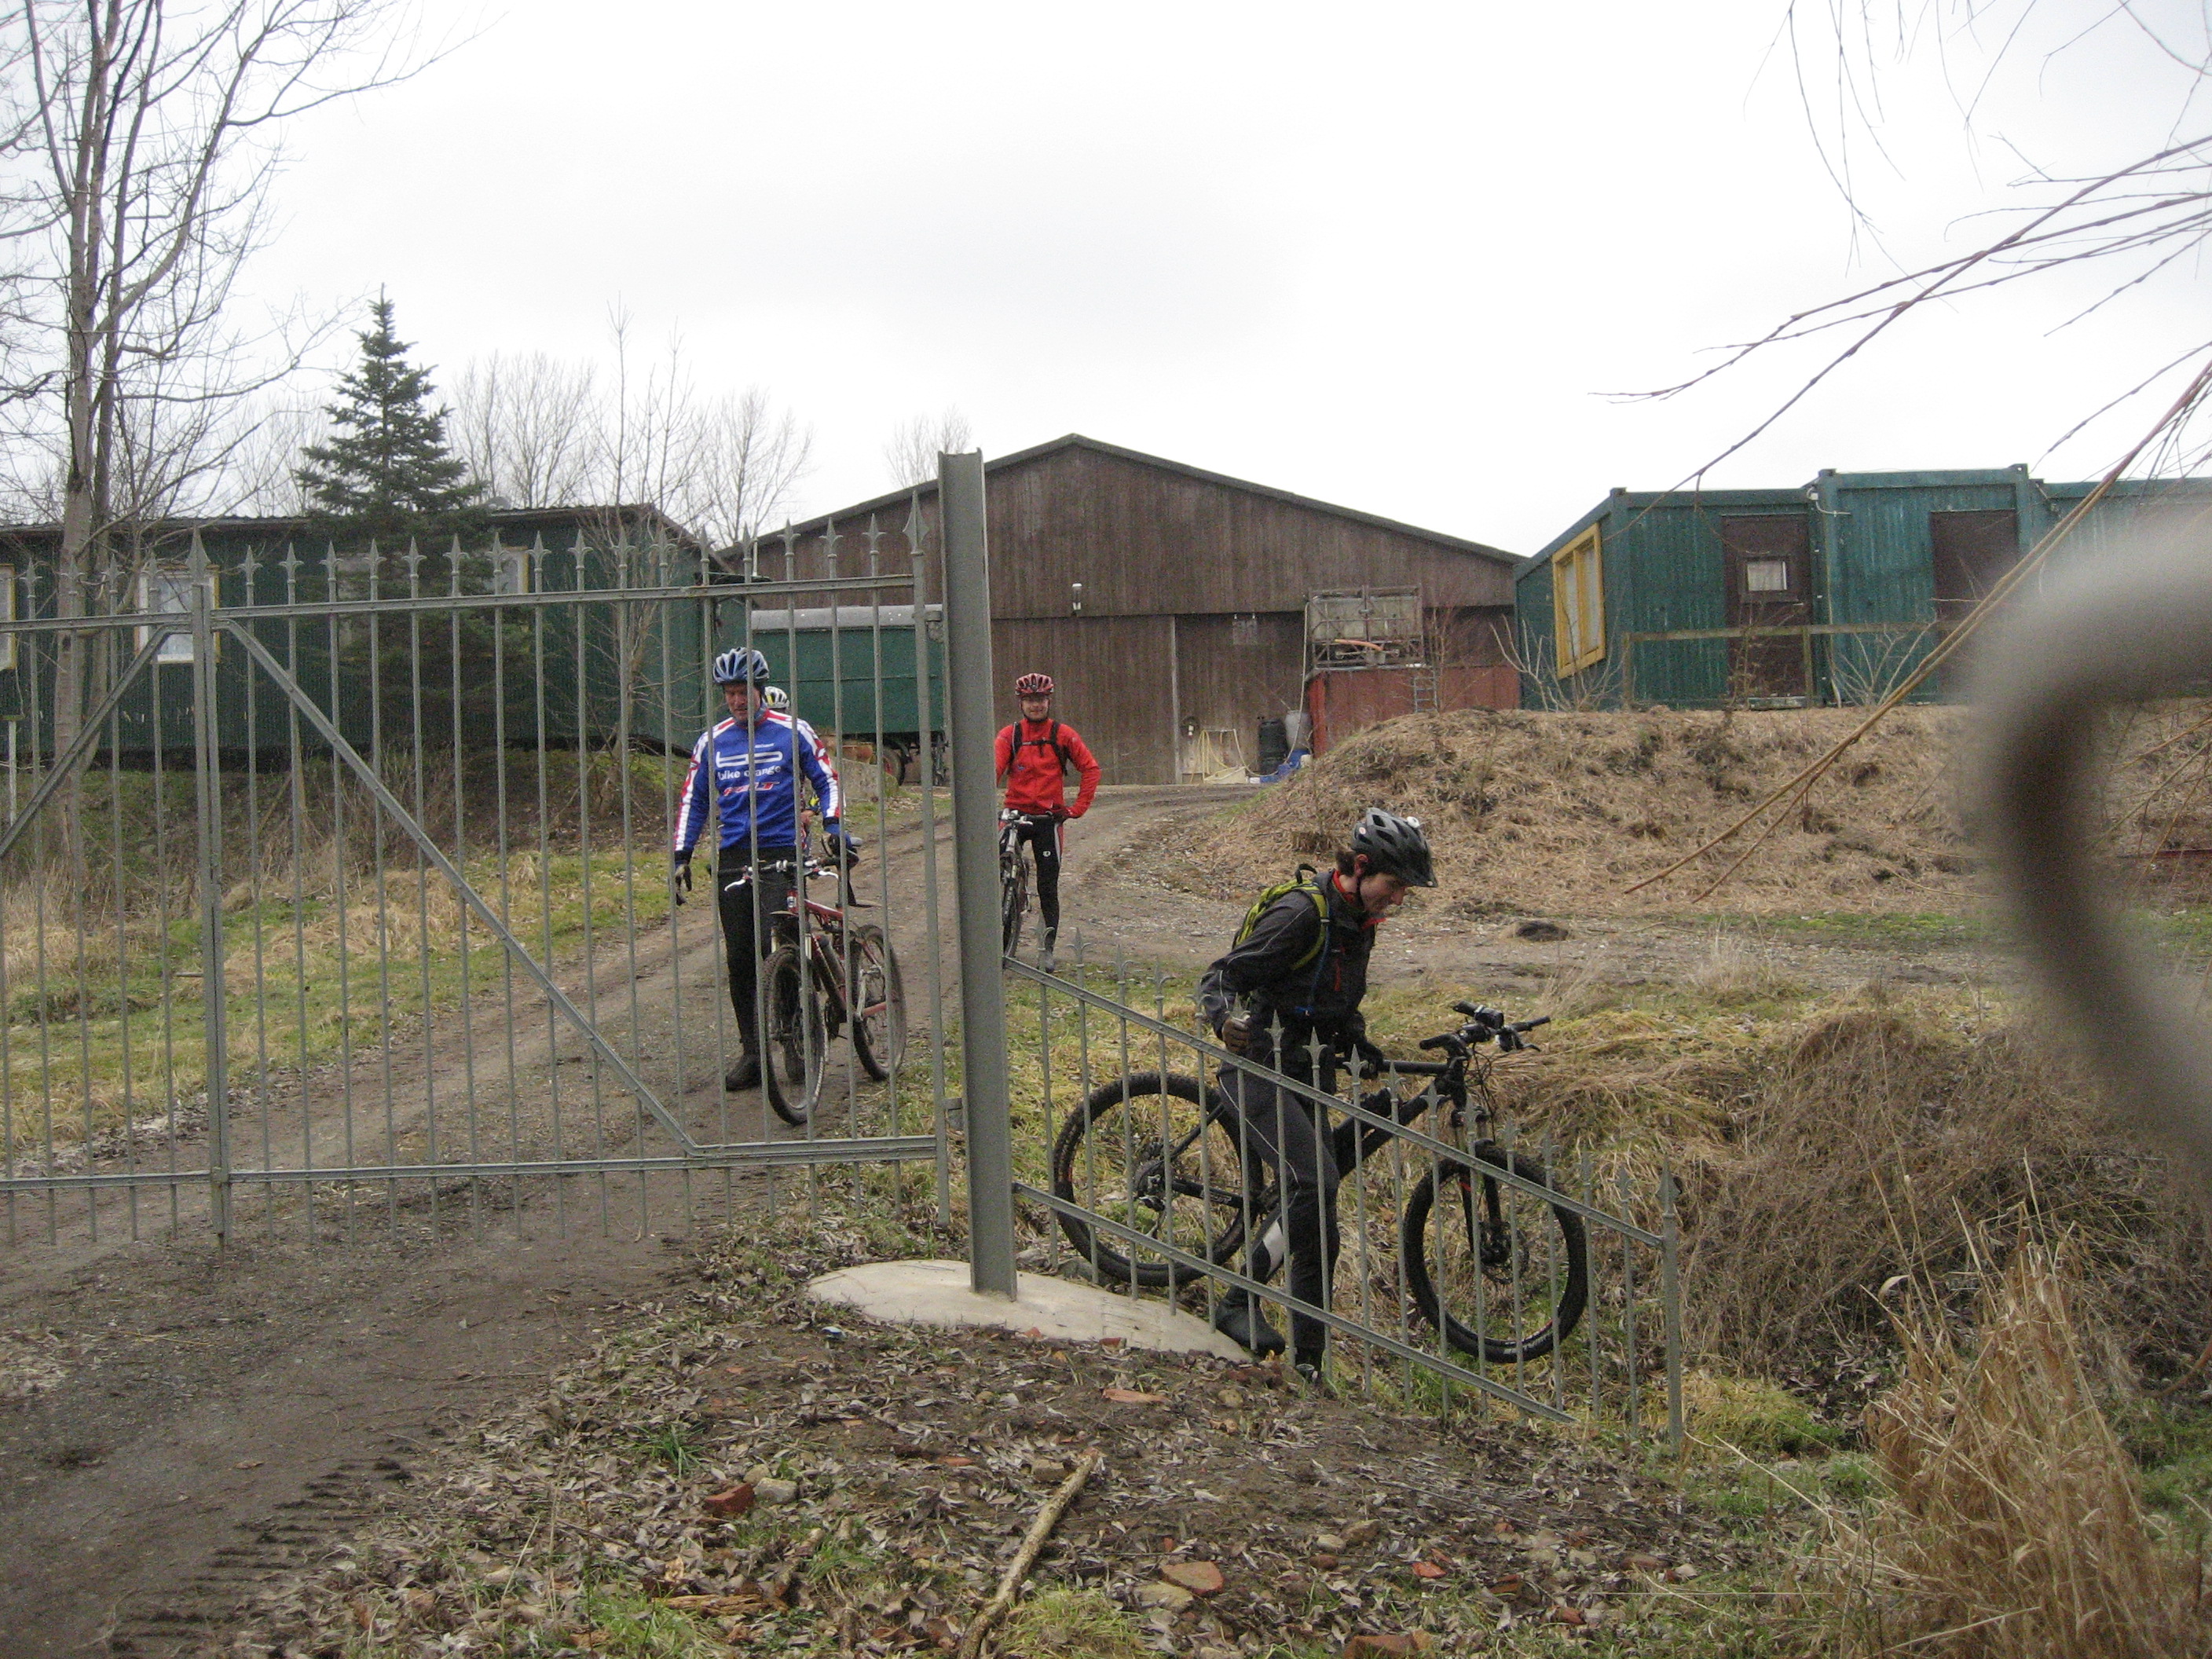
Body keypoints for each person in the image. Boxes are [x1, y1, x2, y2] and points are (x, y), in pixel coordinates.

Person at [1196, 808, 1436, 1384]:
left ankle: (1308, 1363)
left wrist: (1358, 1041)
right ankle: (1236, 1300)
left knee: (1320, 1228)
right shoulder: (1302, 914)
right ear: (1360, 867)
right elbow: (1223, 974)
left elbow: (1334, 1001)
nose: (1398, 899)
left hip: (1306, 1072)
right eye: (1394, 885)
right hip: (1257, 1067)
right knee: (1315, 1183)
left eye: (1405, 890)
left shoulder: (1360, 924)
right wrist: (1223, 1018)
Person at [672, 648, 856, 1090]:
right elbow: (694, 801)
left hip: (784, 849)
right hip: (735, 854)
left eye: (744, 692)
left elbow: (826, 779)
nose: (737, 701)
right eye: (730, 693)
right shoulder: (712, 741)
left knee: (778, 942)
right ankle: (753, 1053)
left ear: (760, 691)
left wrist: (833, 824)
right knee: (740, 958)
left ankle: (797, 1041)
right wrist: (681, 854)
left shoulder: (793, 731)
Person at [994, 672, 1101, 972]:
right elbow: (993, 769)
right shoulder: (1010, 735)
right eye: (1030, 700)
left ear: (1048, 700)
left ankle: (1047, 948)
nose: (1036, 705)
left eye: (1040, 699)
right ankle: (999, 931)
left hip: (1047, 819)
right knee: (992, 871)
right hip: (1015, 814)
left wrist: (1077, 809)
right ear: (1021, 703)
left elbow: (1090, 769)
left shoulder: (1063, 734)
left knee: (1048, 886)